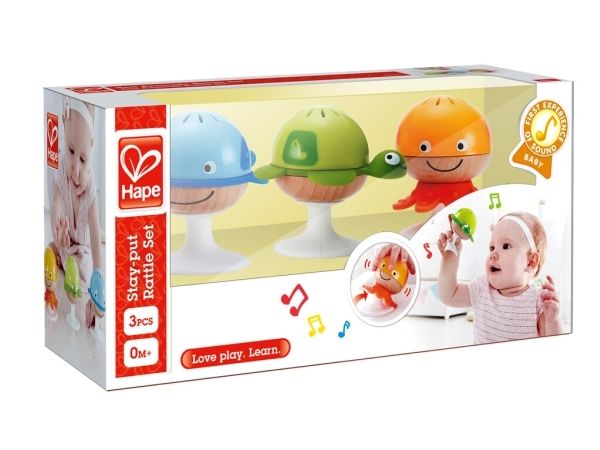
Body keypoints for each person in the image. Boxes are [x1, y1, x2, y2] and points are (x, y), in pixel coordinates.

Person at [437, 212, 563, 343]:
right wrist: (449, 260)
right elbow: (449, 295)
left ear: (531, 261)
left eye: (505, 246)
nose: (493, 254)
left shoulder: (537, 302)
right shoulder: (482, 287)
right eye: (492, 248)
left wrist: (552, 320)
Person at [50, 97, 102, 290]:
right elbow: (56, 203)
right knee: (50, 250)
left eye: (83, 158)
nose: (76, 167)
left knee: (77, 282)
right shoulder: (62, 168)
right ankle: (60, 257)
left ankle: (70, 270)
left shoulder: (90, 189)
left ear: (91, 146)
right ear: (64, 126)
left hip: (82, 250)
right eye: (71, 151)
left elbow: (95, 238)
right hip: (65, 243)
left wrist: (98, 275)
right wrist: (58, 228)